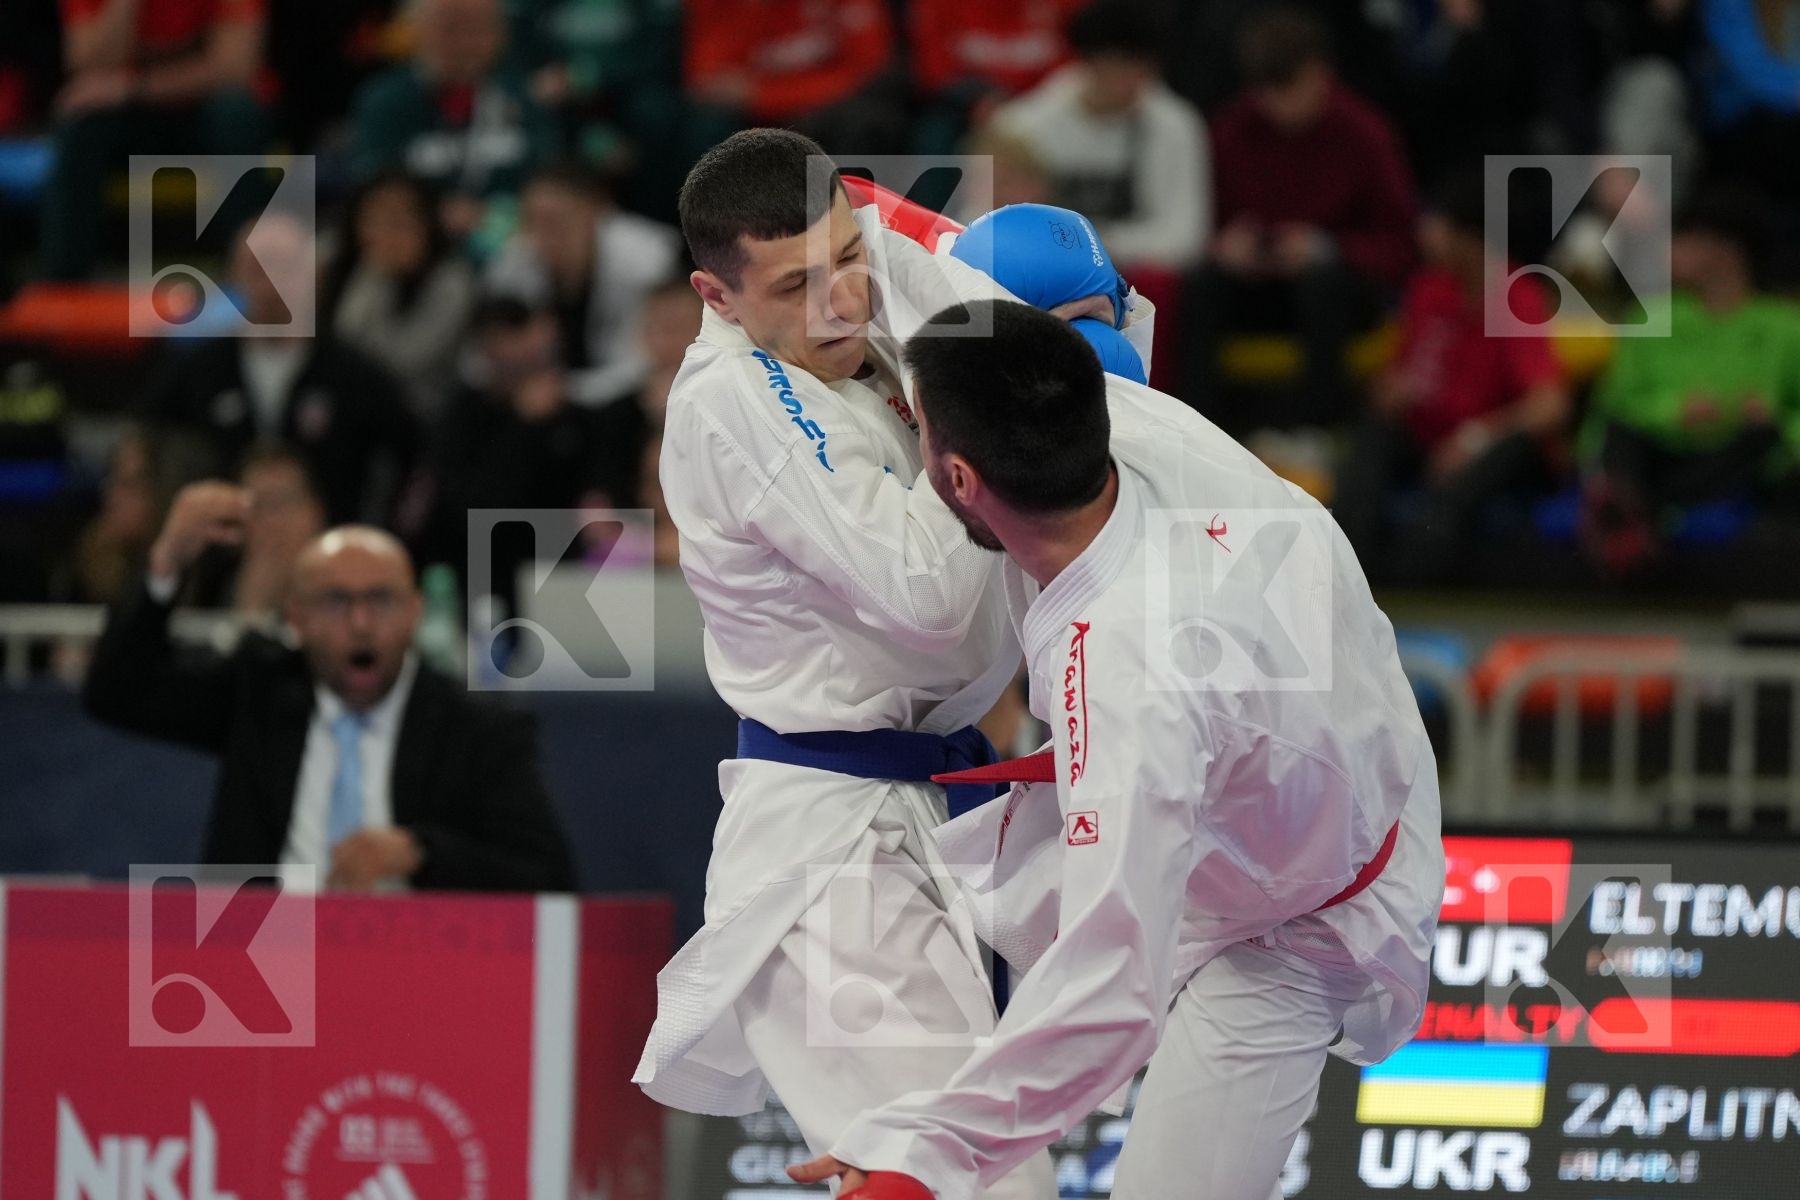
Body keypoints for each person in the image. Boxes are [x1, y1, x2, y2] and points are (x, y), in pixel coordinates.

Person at [789, 298, 1442, 1200]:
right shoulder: (1129, 418)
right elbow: (953, 296)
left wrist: (925, 1158)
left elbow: (1111, 988)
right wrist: (847, 215)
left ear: (960, 484)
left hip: (1300, 927)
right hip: (1322, 770)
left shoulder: (1132, 676)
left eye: (917, 430)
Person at [632, 129, 1158, 1199]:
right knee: (979, 1184)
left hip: (931, 811)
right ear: (717, 296)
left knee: (983, 1170)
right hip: (832, 858)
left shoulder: (879, 306)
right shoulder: (735, 403)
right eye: (792, 287)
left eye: (846, 261)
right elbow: (924, 598)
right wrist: (968, 405)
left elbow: (1103, 316)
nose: (837, 304)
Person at [82, 493, 577, 892]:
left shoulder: (474, 728)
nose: (361, 625)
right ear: (296, 617)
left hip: (415, 969)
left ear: (415, 612)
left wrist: (420, 853)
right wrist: (168, 563)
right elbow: (116, 693)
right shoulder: (258, 692)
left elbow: (548, 878)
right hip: (260, 972)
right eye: (336, 601)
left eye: (381, 600)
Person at [1185, 4, 1416, 431]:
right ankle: (1200, 426)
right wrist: (1225, 246)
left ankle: (1317, 430)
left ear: (1320, 73)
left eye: (1290, 88)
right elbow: (1196, 226)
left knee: (1322, 284)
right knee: (1201, 285)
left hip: (1337, 287)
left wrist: (1327, 248)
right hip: (1255, 284)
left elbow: (1401, 244)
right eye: (1268, 92)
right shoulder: (1230, 130)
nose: (1280, 106)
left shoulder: (1365, 132)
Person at [1334, 172, 1571, 584]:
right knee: (1371, 440)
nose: (1425, 235)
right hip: (1427, 431)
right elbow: (1396, 376)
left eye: (1438, 224)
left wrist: (1473, 439)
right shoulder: (1427, 289)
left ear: (1470, 237)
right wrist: (1389, 391)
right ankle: (1346, 572)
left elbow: (1550, 405)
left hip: (1487, 440)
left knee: (1490, 462)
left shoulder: (1518, 297)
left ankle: (1412, 582)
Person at [143, 213, 422, 526]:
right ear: (233, 275)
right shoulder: (198, 371)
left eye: (283, 267)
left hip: (331, 549)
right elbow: (148, 439)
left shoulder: (356, 376)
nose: (270, 282)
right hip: (223, 553)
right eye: (256, 268)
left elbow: (412, 458)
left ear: (313, 275)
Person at [1579, 188, 1800, 576]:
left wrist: (1770, 417)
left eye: (1684, 240)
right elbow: (1617, 402)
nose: (1672, 250)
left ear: (1726, 251)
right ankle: (1629, 507)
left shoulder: (1785, 326)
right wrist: (1676, 412)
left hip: (1736, 462)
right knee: (1621, 432)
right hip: (1662, 454)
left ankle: (1637, 515)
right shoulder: (1650, 316)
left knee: (1767, 439)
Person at [40, 0, 271, 279]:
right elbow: (87, 65)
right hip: (129, 119)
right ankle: (64, 288)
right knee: (80, 122)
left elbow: (235, 68)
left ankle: (254, 280)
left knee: (238, 112)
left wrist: (134, 88)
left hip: (202, 110)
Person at [987, 0, 1209, 272]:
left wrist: (1092, 245)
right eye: (1116, 64)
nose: (1129, 79)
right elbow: (981, 220)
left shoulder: (1175, 126)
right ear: (1087, 61)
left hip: (1133, 277)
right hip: (1041, 272)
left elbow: (1184, 237)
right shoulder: (1023, 125)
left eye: (1141, 66)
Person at [346, 0, 557, 243]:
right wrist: (438, 212)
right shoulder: (385, 101)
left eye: (477, 28)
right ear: (420, 30)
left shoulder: (524, 99)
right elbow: (373, 188)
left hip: (513, 242)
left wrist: (494, 216)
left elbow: (549, 179)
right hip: (417, 245)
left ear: (501, 35)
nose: (464, 43)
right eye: (450, 28)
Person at [483, 162, 682, 408]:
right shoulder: (515, 261)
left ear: (594, 213)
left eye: (554, 220)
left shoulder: (646, 259)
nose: (541, 234)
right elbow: (481, 357)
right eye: (531, 220)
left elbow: (643, 358)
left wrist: (567, 390)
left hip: (627, 391)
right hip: (546, 394)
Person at [322, 171, 478, 423]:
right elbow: (340, 350)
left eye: (402, 220)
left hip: (423, 414)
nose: (388, 233)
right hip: (350, 413)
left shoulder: (452, 282)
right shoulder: (339, 265)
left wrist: (378, 276)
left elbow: (398, 364)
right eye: (376, 219)